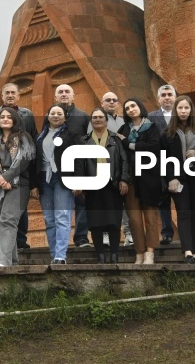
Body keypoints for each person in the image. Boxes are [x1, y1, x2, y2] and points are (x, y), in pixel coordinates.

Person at [0, 83, 39, 250]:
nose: (10, 95)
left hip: (20, 170)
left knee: (19, 207)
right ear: (2, 95)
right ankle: (2, 242)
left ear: (19, 96)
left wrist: (32, 178)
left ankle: (20, 239)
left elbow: (33, 142)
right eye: (7, 93)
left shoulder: (26, 114)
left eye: (13, 93)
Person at [76, 108, 129, 263]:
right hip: (92, 187)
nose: (98, 119)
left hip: (112, 185)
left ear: (106, 120)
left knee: (113, 222)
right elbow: (79, 164)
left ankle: (114, 256)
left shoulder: (116, 139)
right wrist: (79, 183)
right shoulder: (84, 141)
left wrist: (124, 180)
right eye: (95, 117)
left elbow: (124, 161)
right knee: (95, 223)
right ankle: (100, 257)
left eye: (100, 117)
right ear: (91, 121)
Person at [122, 98, 164, 264]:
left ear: (140, 107)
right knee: (134, 219)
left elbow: (154, 147)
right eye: (127, 108)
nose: (131, 109)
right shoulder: (124, 129)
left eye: (133, 106)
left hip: (149, 176)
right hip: (131, 178)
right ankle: (139, 252)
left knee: (150, 216)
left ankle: (150, 252)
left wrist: (130, 144)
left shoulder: (152, 127)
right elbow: (121, 152)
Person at [164, 95, 195, 264]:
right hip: (178, 179)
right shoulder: (167, 133)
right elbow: (162, 158)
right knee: (184, 213)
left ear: (191, 110)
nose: (183, 111)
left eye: (186, 108)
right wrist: (171, 177)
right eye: (180, 108)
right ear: (175, 110)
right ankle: (187, 251)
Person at [35, 104, 76, 264]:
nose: (56, 116)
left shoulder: (71, 135)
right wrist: (34, 185)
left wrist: (77, 181)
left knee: (62, 216)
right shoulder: (40, 136)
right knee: (49, 219)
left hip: (63, 179)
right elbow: (34, 161)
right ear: (48, 115)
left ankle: (60, 255)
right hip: (44, 179)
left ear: (65, 117)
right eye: (53, 113)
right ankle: (54, 256)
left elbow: (78, 159)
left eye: (59, 113)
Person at [54, 83, 91, 248]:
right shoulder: (51, 115)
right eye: (60, 92)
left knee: (82, 203)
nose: (64, 94)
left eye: (67, 91)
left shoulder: (82, 116)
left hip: (79, 166)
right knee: (59, 205)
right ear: (55, 97)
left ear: (73, 96)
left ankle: (81, 238)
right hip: (57, 168)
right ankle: (60, 241)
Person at [100, 91, 133, 245]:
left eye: (114, 100)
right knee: (107, 203)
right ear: (102, 103)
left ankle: (128, 234)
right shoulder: (96, 120)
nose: (112, 102)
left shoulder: (124, 122)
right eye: (108, 100)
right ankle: (106, 233)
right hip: (105, 168)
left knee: (126, 203)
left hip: (124, 167)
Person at [149, 83, 177, 246]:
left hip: (180, 165)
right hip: (159, 165)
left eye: (169, 94)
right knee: (163, 201)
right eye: (164, 95)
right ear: (158, 98)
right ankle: (167, 233)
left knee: (182, 201)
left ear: (174, 96)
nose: (167, 97)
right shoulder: (151, 117)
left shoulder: (182, 113)